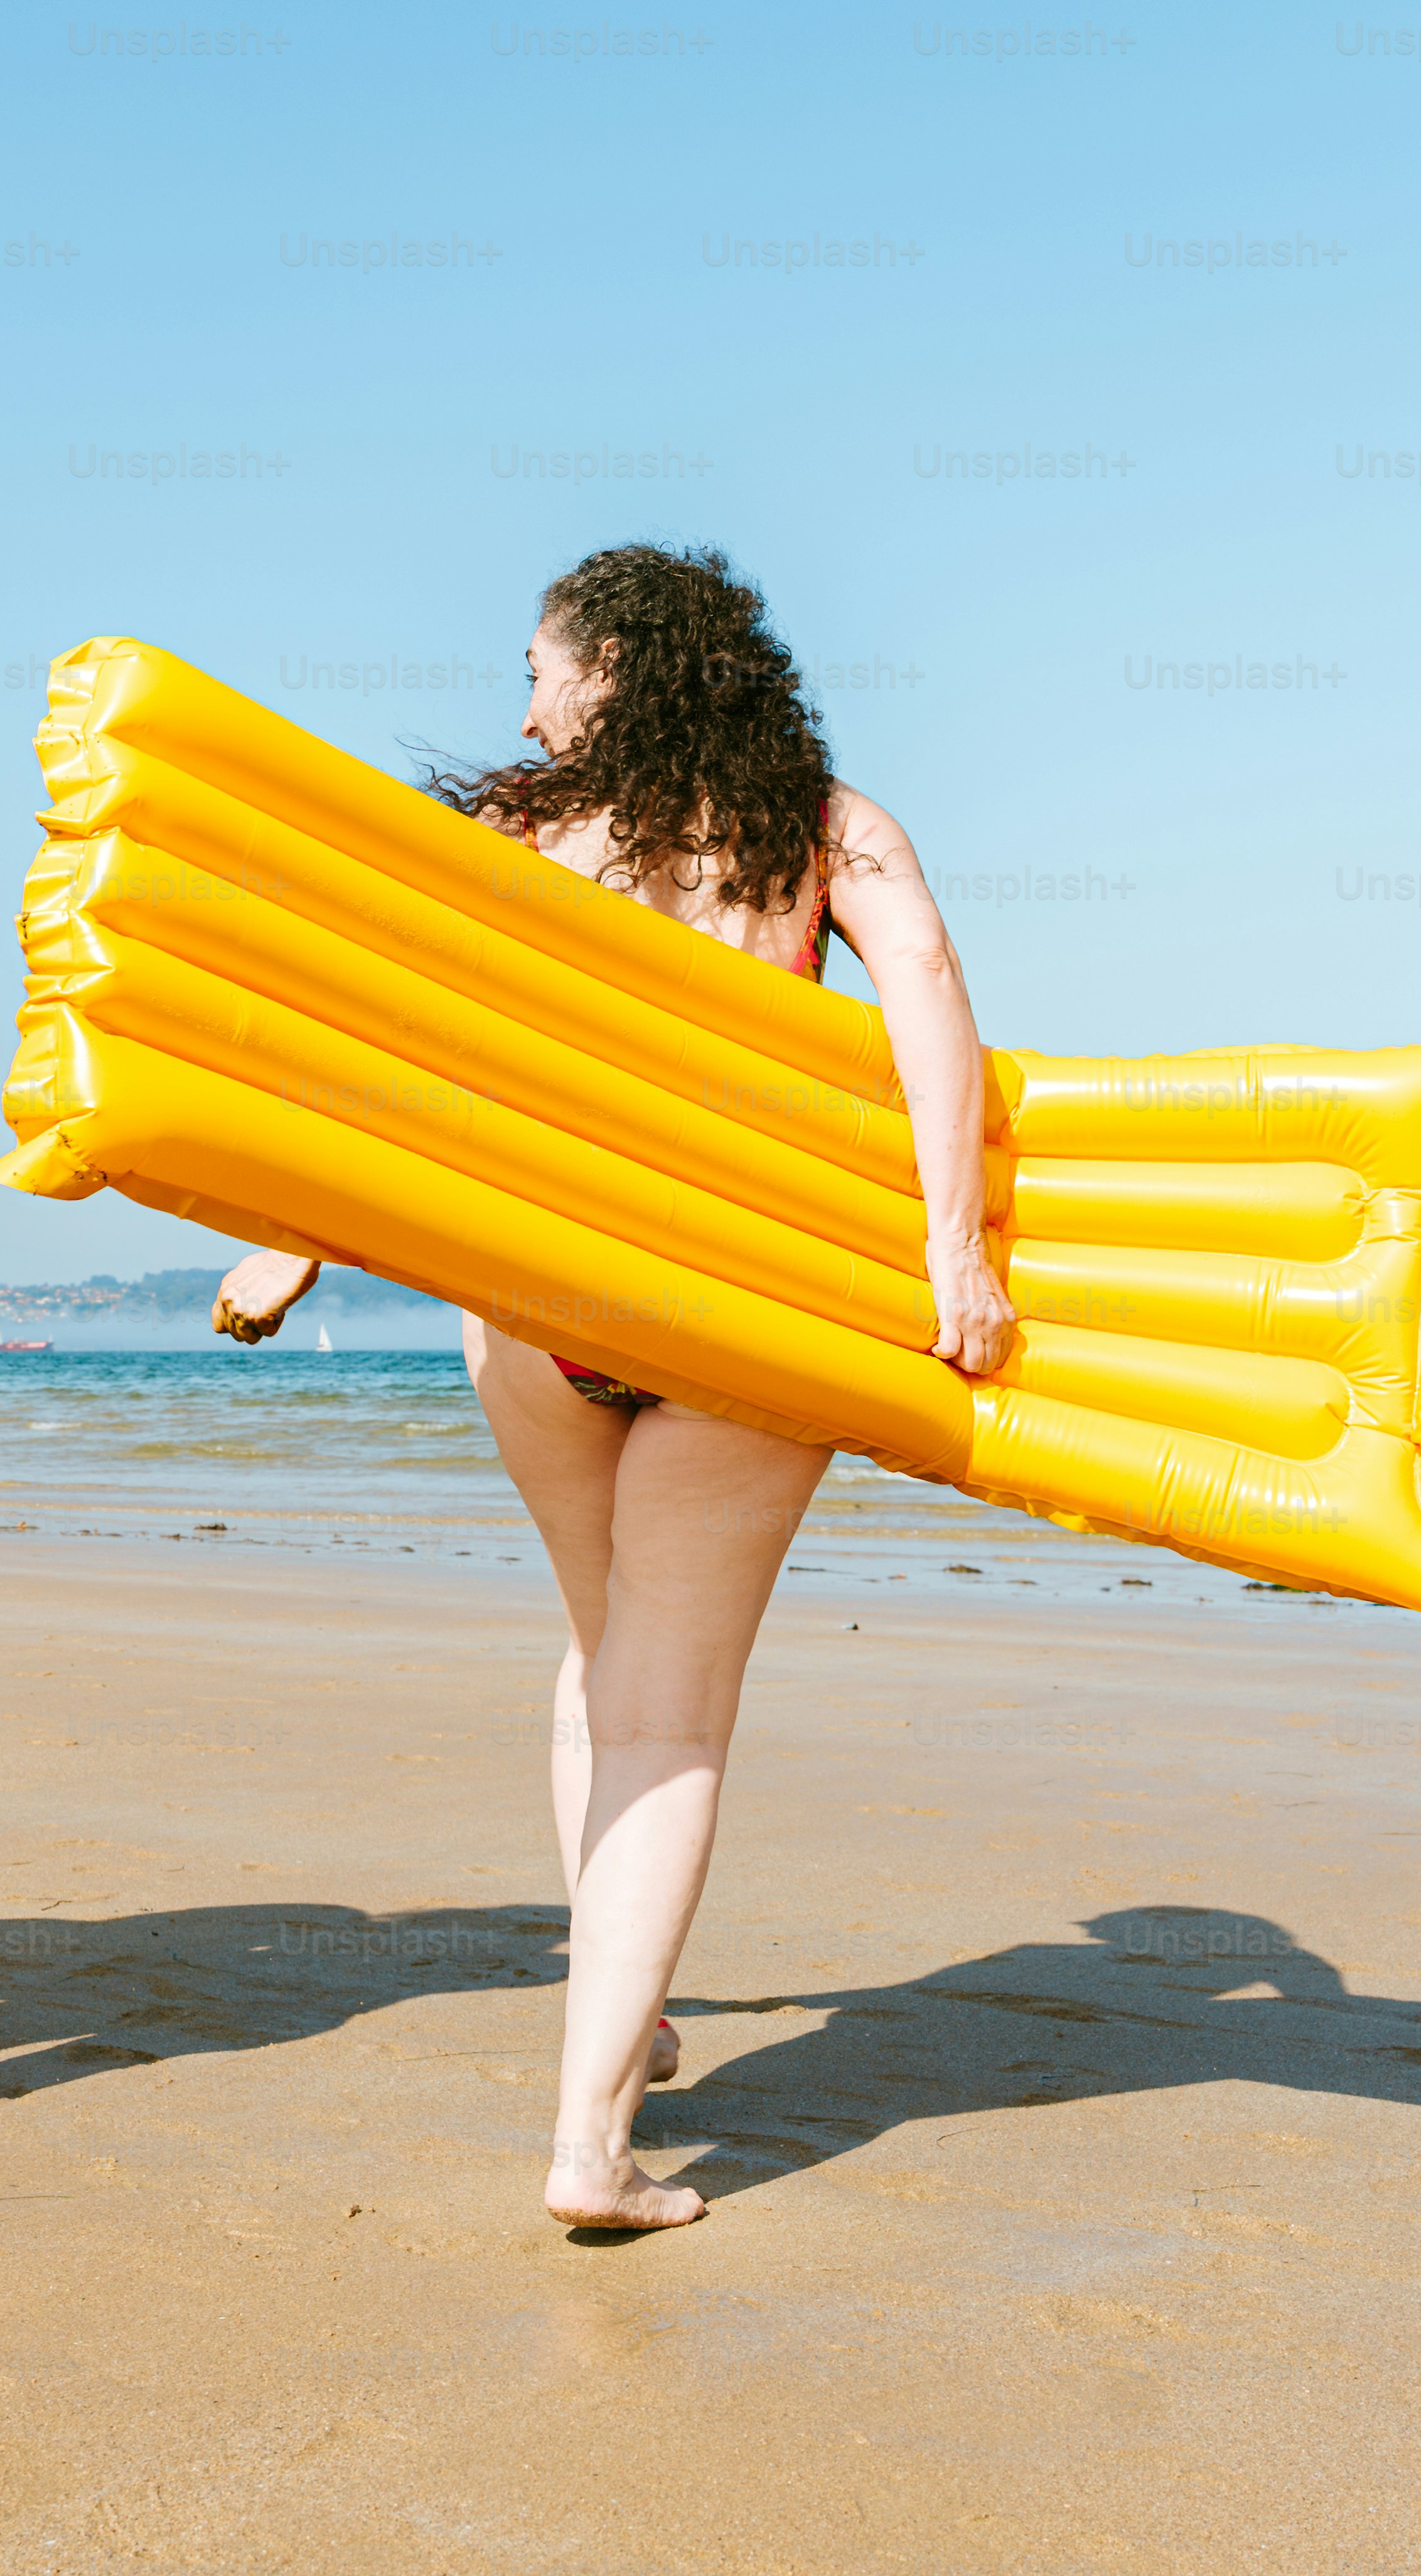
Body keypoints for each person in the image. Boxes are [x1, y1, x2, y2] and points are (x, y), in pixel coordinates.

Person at [213, 543, 1015, 2230]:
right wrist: (956, 1254)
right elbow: (929, 1004)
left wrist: (297, 1233)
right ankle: (589, 2144)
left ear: (613, 665)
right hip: (736, 1299)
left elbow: (413, 1030)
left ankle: (629, 2013)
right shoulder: (821, 821)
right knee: (662, 1702)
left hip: (533, 1301)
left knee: (600, 1660)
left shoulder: (522, 825)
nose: (521, 701)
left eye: (538, 666)